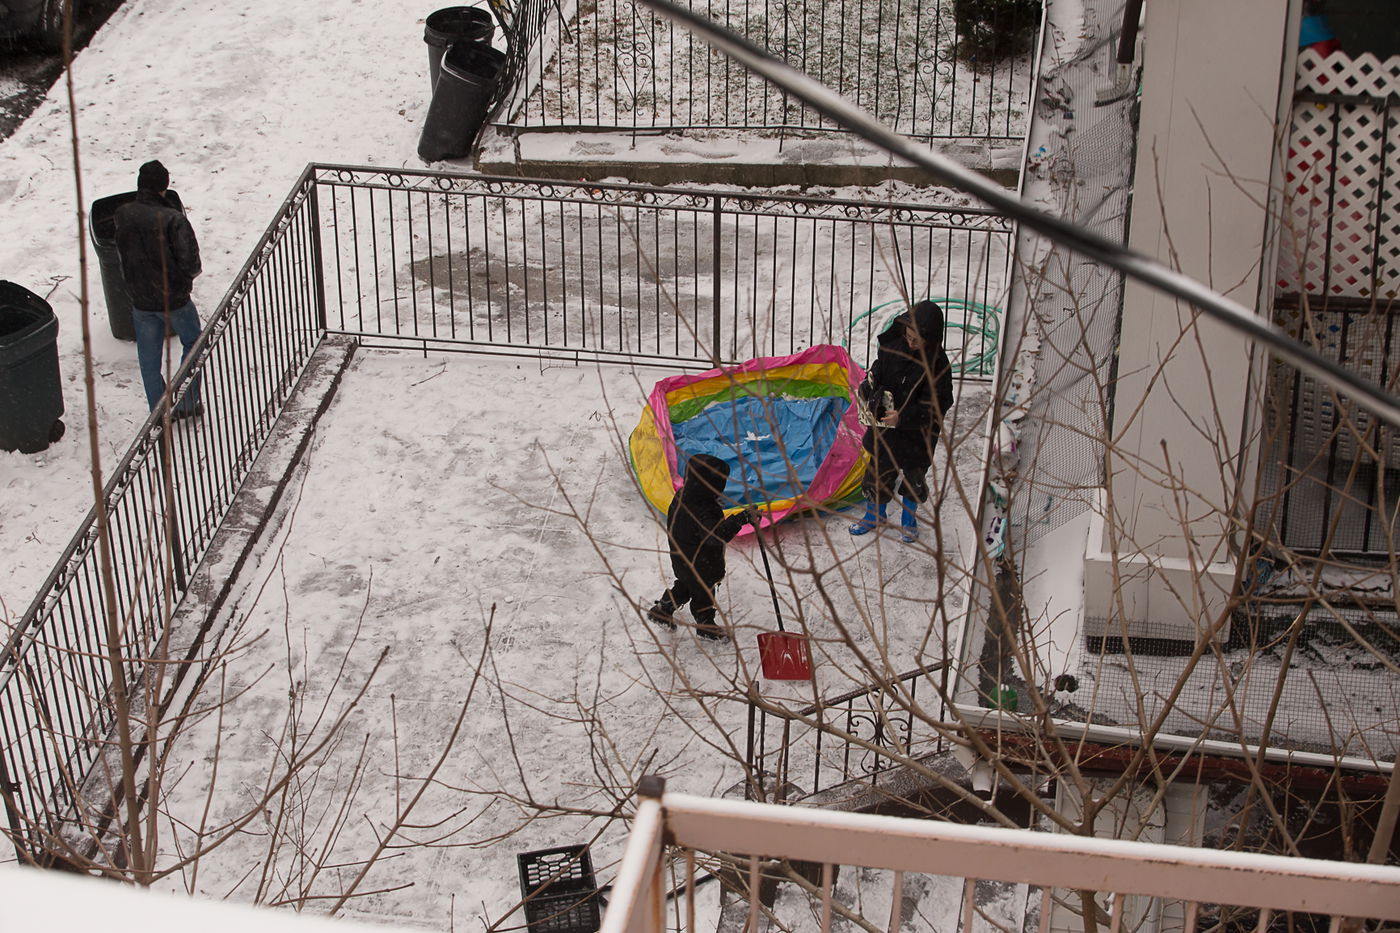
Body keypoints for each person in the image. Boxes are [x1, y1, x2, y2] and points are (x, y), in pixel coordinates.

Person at [849, 299, 954, 543]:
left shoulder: (937, 366)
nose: (911, 343)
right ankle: (874, 514)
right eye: (908, 336)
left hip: (917, 435)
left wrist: (904, 417)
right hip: (885, 428)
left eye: (917, 340)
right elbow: (878, 369)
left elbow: (939, 404)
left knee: (913, 479)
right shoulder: (892, 347)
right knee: (877, 473)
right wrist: (869, 386)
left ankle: (909, 519)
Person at [114, 159, 204, 419]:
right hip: (174, 299)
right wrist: (182, 280)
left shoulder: (123, 214)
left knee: (149, 360)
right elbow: (191, 263)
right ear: (164, 186)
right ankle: (187, 402)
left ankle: (159, 410)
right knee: (194, 344)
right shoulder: (173, 219)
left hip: (140, 300)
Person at [648, 453, 755, 641]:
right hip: (701, 561)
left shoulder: (685, 495)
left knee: (686, 584)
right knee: (703, 592)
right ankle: (705, 625)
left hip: (682, 555)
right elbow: (715, 536)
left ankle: (662, 610)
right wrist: (740, 520)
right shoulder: (704, 509)